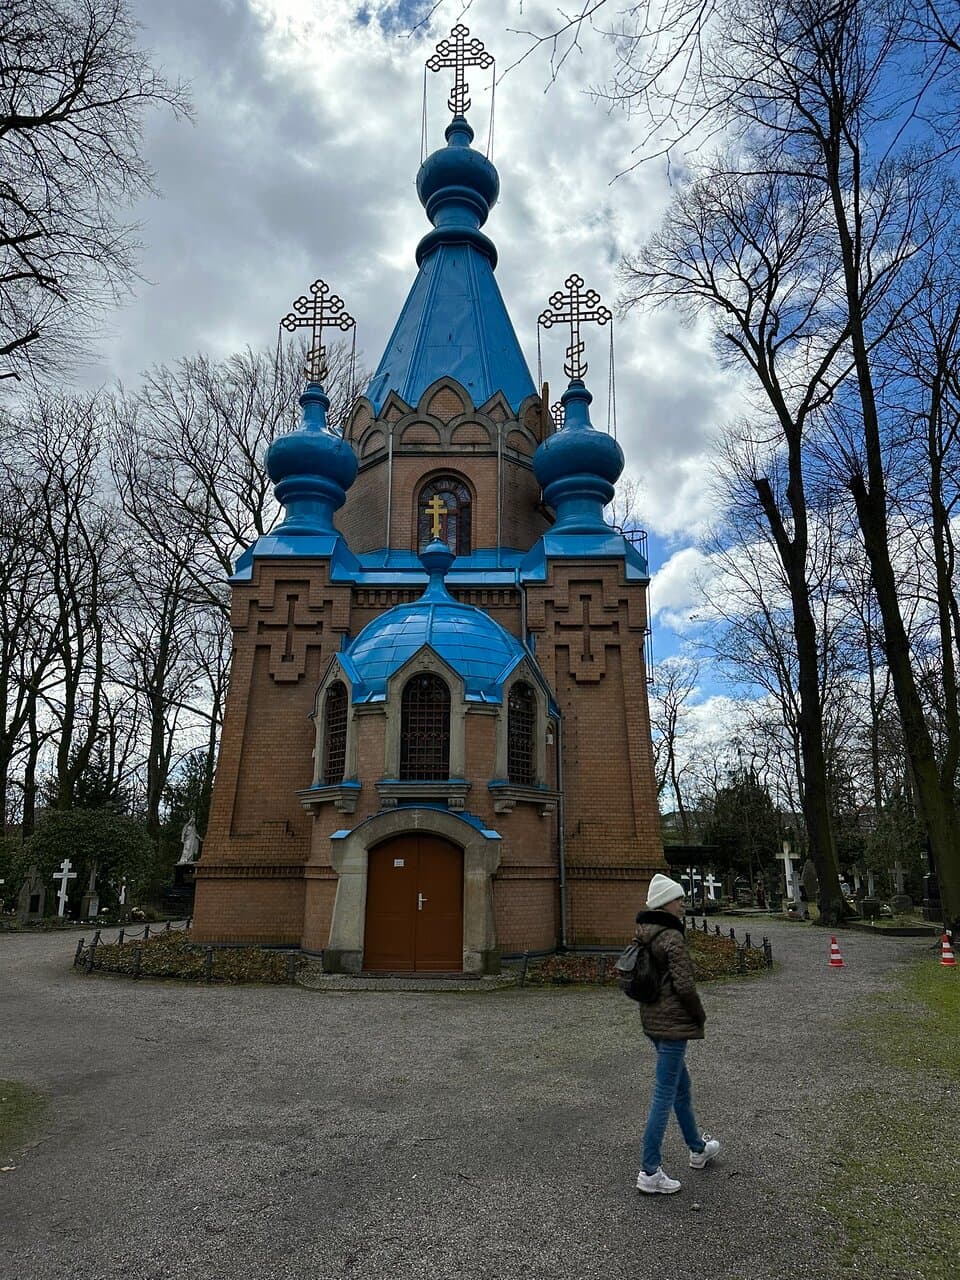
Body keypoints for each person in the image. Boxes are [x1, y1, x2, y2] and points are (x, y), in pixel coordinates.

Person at [634, 873, 721, 1195]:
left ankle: (698, 1148)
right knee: (664, 1094)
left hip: (652, 1020)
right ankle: (650, 1171)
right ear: (665, 903)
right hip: (672, 1024)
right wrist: (698, 1015)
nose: (683, 904)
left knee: (681, 1087)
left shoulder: (643, 932)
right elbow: (684, 986)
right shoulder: (671, 936)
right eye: (678, 899)